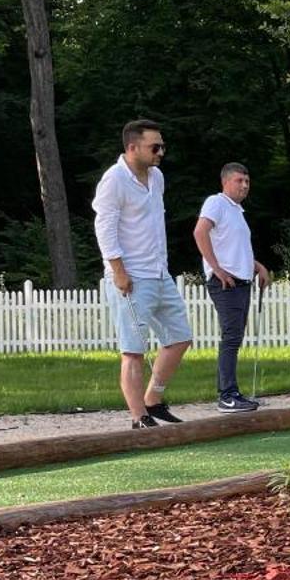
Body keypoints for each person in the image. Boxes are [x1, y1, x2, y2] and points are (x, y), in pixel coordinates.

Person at [94, 119, 192, 429]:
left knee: (179, 338)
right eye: (155, 146)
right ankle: (139, 417)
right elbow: (104, 228)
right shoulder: (114, 180)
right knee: (133, 350)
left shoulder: (157, 177)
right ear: (132, 147)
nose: (161, 152)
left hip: (159, 272)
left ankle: (153, 399)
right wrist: (118, 271)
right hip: (131, 276)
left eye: (162, 146)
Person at [193, 162, 272, 414]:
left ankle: (231, 392)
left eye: (247, 182)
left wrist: (257, 266)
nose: (245, 186)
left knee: (235, 335)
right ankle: (227, 394)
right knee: (231, 336)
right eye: (239, 181)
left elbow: (235, 248)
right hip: (225, 281)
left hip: (241, 280)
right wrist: (216, 268)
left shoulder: (237, 211)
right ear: (225, 182)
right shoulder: (217, 203)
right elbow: (200, 232)